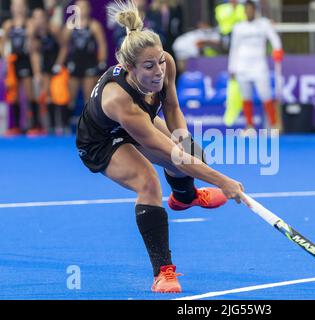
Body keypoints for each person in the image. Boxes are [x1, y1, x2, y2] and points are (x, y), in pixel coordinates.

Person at [76, 0, 248, 293]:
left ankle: (184, 197)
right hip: (101, 140)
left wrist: (183, 137)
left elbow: (172, 106)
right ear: (129, 67)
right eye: (148, 66)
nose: (157, 71)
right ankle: (163, 272)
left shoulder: (164, 63)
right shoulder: (119, 99)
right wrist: (224, 181)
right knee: (149, 183)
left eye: (159, 62)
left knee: (191, 152)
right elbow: (171, 155)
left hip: (140, 121)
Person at [228, 0, 284, 136]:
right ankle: (249, 127)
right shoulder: (238, 27)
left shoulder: (264, 24)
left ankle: (274, 124)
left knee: (266, 95)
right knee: (246, 97)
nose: (248, 11)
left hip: (259, 67)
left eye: (251, 9)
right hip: (242, 67)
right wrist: (232, 67)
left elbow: (275, 40)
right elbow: (234, 48)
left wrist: (277, 50)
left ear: (255, 10)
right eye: (246, 9)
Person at [57, 0, 108, 133]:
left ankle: (89, 126)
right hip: (75, 63)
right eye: (80, 7)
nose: (82, 9)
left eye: (85, 7)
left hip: (90, 63)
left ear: (89, 9)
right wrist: (59, 63)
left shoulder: (94, 25)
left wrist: (101, 60)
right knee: (70, 97)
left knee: (88, 98)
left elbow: (102, 44)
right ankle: (66, 125)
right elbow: (64, 47)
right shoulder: (70, 26)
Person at [0, 0, 44, 136]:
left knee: (30, 93)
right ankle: (16, 126)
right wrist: (6, 57)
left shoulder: (29, 24)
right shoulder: (8, 25)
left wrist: (37, 72)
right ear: (12, 8)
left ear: (25, 8)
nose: (18, 9)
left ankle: (36, 124)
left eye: (21, 6)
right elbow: (3, 43)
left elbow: (34, 48)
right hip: (13, 62)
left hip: (26, 60)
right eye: (16, 6)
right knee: (13, 94)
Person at [29, 8, 70, 135]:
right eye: (35, 18)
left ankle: (64, 125)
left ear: (45, 18)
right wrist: (37, 73)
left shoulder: (55, 29)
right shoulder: (34, 33)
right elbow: (34, 53)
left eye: (40, 17)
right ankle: (51, 126)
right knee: (47, 96)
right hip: (46, 66)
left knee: (60, 95)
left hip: (59, 65)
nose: (38, 21)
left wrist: (58, 64)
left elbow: (64, 47)